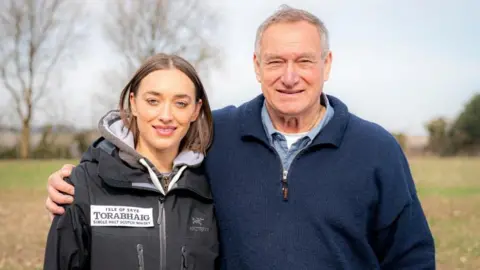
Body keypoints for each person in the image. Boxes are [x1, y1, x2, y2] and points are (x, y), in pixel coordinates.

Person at [44, 5, 435, 270]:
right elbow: (144, 143)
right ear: (256, 66)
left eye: (304, 61)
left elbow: (412, 256)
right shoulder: (218, 134)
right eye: (276, 61)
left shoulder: (376, 149)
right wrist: (79, 179)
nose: (289, 75)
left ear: (326, 64)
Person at [43, 53, 219, 270]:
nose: (166, 115)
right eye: (153, 101)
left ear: (196, 110)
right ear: (134, 103)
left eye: (180, 103)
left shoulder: (213, 188)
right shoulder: (82, 185)